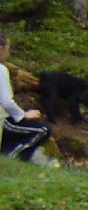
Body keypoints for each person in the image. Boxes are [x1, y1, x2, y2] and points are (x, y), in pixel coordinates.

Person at [0, 33, 52, 161]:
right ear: (1, 49)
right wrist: (23, 115)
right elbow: (6, 102)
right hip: (2, 122)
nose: (8, 54)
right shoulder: (1, 70)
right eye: (7, 49)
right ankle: (13, 154)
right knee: (43, 130)